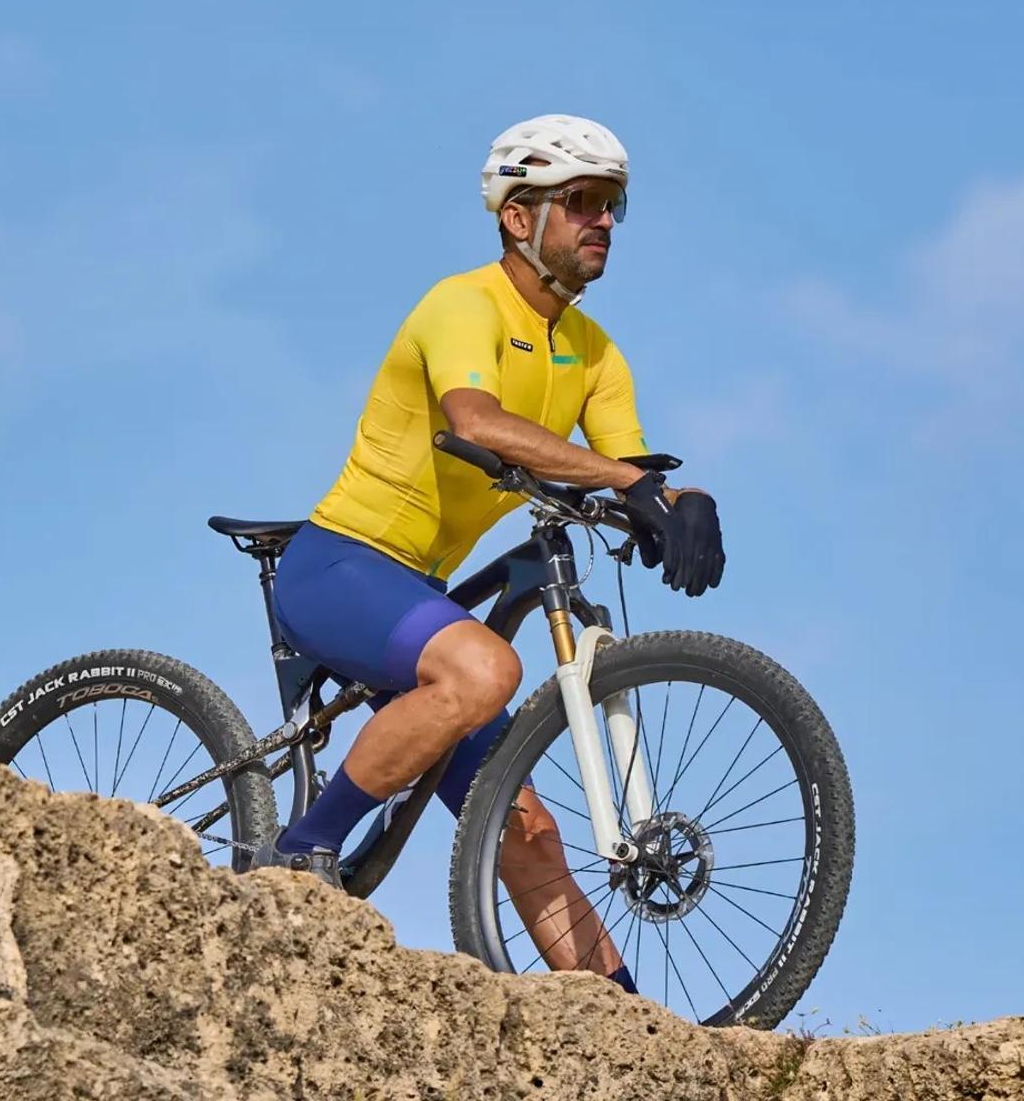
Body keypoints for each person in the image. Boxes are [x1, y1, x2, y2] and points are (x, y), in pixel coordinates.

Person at [253, 114, 726, 995]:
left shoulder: (594, 354)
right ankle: (300, 851)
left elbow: (632, 468)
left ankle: (629, 1024)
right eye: (582, 201)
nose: (603, 221)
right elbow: (478, 422)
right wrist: (627, 482)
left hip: (419, 597)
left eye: (613, 205)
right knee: (485, 669)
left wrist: (681, 504)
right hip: (340, 566)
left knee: (528, 832)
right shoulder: (462, 305)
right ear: (518, 217)